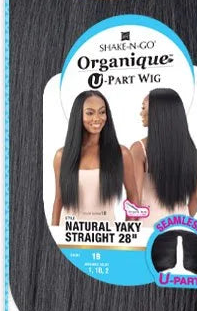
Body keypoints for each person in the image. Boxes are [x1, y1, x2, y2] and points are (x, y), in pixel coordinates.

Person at [52, 91, 138, 225]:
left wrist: (127, 233)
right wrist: (53, 233)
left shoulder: (121, 154)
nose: (97, 118)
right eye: (90, 113)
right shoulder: (61, 156)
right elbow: (59, 200)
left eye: (102, 112)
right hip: (68, 234)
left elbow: (133, 197)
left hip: (107, 234)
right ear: (78, 115)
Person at [130, 88, 197, 227]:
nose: (141, 113)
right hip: (180, 226)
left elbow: (135, 201)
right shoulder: (190, 149)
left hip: (148, 229)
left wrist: (127, 232)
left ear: (156, 112)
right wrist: (183, 218)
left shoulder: (139, 149)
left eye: (143, 108)